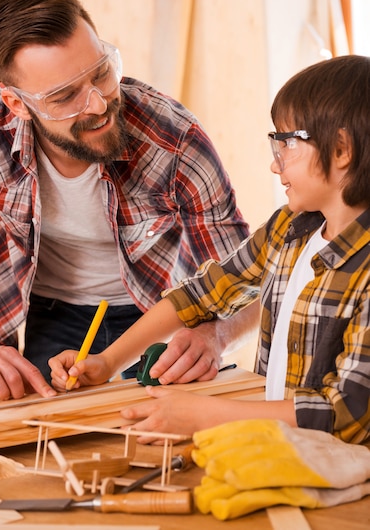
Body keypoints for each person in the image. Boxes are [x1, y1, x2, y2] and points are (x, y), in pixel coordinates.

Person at [0, 0, 253, 402]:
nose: (97, 104)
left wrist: (215, 335)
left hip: (162, 316)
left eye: (101, 73)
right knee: (47, 440)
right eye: (64, 97)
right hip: (55, 313)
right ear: (17, 104)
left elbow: (247, 281)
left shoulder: (174, 139)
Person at [50, 54, 370, 447]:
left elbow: (346, 415)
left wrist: (206, 416)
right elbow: (200, 294)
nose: (276, 165)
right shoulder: (289, 230)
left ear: (341, 150)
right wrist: (108, 361)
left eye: (286, 144)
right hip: (288, 452)